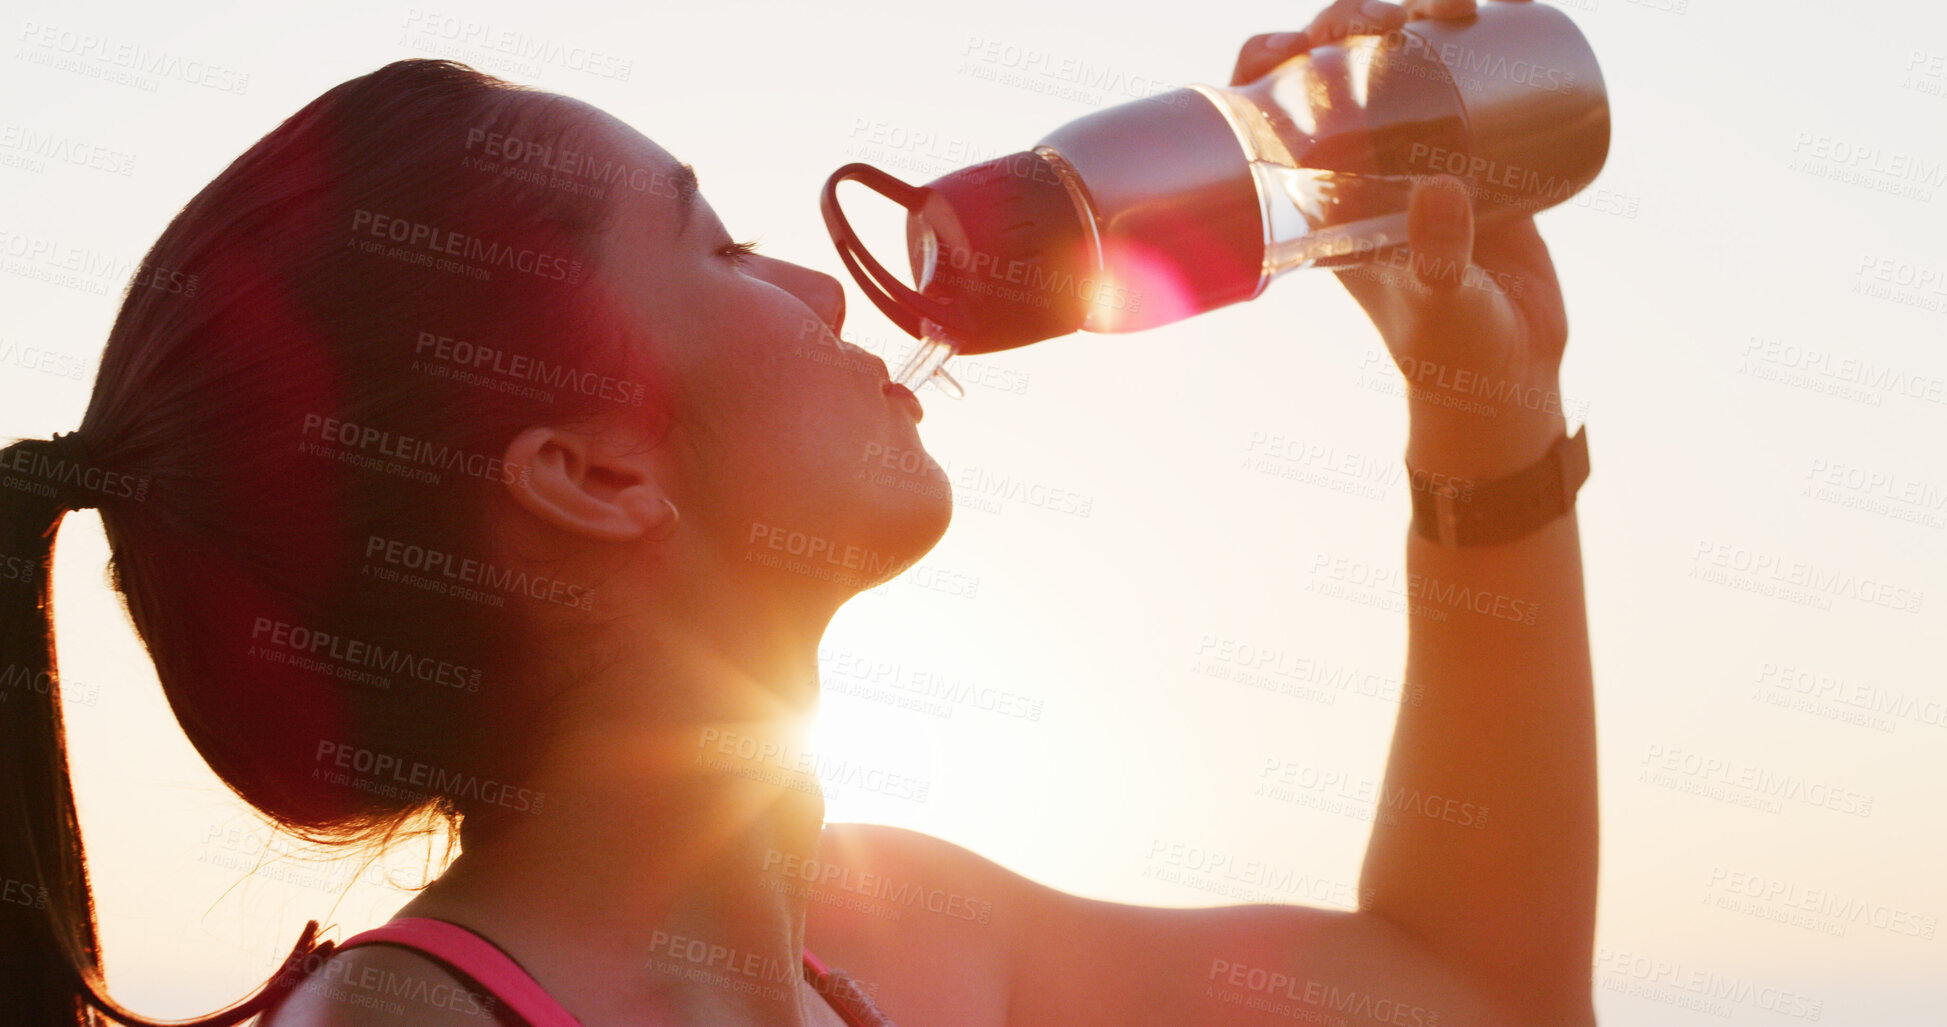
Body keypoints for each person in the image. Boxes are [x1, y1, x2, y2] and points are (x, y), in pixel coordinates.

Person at [0, 0, 1596, 1023]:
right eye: (715, 247)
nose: (820, 288)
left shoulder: (887, 943)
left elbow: (1476, 996)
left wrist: (1486, 409)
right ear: (590, 474)